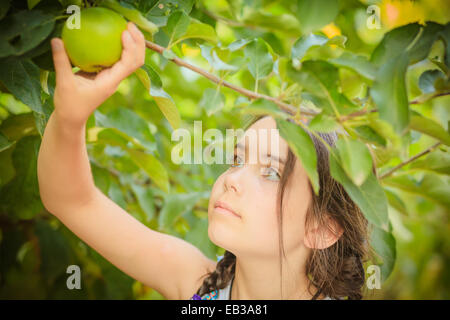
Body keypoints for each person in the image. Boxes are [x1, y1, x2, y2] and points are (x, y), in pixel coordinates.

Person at [38, 21, 369, 301]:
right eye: (237, 160)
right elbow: (72, 201)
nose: (232, 179)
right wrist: (70, 118)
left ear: (323, 228)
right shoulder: (195, 283)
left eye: (270, 172)